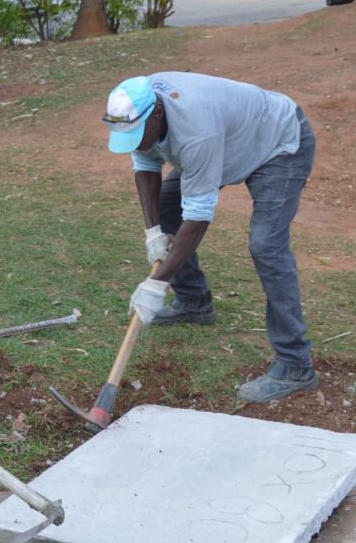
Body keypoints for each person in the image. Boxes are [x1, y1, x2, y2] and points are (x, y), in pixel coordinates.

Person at [104, 72, 319, 403]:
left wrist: (157, 282)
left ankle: (295, 363)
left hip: (278, 143)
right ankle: (194, 302)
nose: (137, 142)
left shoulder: (196, 133)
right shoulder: (141, 107)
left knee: (267, 246)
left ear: (157, 114)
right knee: (166, 206)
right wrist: (153, 233)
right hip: (231, 142)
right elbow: (145, 165)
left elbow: (199, 215)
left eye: (138, 135)